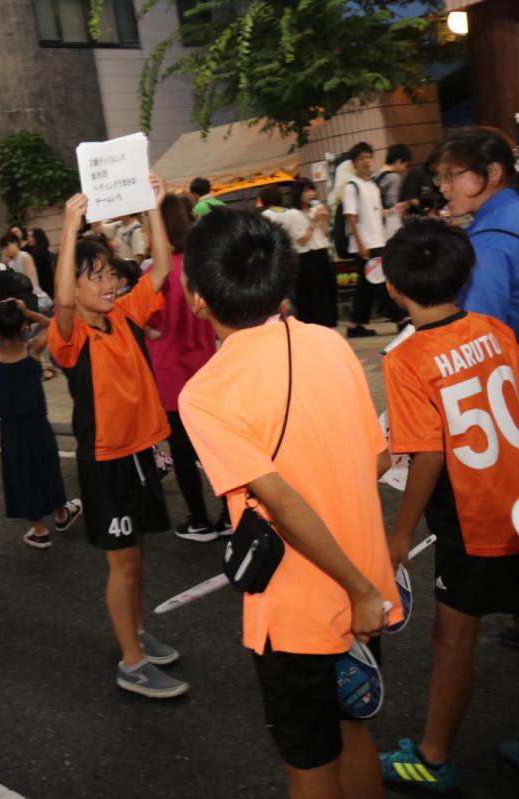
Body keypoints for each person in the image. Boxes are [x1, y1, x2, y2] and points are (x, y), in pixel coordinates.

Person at [178, 208, 401, 798]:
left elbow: (282, 503)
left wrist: (354, 587)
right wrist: (362, 588)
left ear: (198, 298)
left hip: (299, 608)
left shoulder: (204, 394)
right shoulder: (328, 343)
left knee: (309, 761)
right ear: (285, 277)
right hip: (364, 590)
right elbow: (376, 459)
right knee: (353, 728)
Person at [376, 219, 519, 792]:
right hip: (514, 499)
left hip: (472, 519)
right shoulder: (495, 328)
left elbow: (427, 455)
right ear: (466, 275)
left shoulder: (408, 358)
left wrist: (401, 533)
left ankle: (433, 759)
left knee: (453, 639)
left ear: (392, 286)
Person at [49, 184, 186, 699]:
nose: (109, 283)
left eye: (110, 273)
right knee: (122, 561)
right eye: (96, 276)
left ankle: (136, 630)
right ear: (75, 285)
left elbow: (162, 271)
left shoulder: (125, 317)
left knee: (137, 555)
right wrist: (68, 229)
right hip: (105, 461)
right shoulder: (70, 336)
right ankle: (131, 660)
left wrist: (151, 204)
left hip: (139, 452)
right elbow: (62, 299)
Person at [0, 299, 81, 549]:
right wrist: (28, 311)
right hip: (38, 425)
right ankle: (62, 514)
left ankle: (40, 530)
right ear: (23, 326)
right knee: (47, 469)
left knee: (21, 475)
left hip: (11, 429)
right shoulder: (33, 350)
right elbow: (54, 326)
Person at [148, 193, 225, 542]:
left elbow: (148, 321)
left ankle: (198, 518)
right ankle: (230, 515)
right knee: (215, 449)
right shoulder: (203, 266)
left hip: (169, 371)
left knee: (181, 450)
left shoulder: (157, 274)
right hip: (207, 367)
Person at [434, 126, 519, 338]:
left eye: (451, 175)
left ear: (492, 173)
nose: (443, 188)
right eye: (441, 177)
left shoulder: (487, 243)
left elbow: (480, 337)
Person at [343, 141, 405, 338]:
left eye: (369, 157)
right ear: (354, 163)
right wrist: (360, 243)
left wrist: (392, 212)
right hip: (366, 245)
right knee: (379, 281)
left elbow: (376, 213)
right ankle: (401, 319)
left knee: (367, 287)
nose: (366, 161)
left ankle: (355, 325)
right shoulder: (352, 187)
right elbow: (350, 216)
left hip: (378, 241)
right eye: (361, 158)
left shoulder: (372, 186)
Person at [288, 178, 338, 327]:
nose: (311, 194)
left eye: (312, 190)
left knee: (327, 293)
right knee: (313, 296)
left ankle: (328, 324)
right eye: (306, 191)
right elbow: (302, 240)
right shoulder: (292, 214)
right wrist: (314, 221)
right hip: (307, 258)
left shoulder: (315, 210)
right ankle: (314, 326)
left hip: (322, 254)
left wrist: (324, 221)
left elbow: (326, 236)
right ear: (298, 194)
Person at [1, 232, 51, 312]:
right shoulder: (10, 263)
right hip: (23, 299)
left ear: (15, 243)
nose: (6, 249)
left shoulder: (25, 257)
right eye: (3, 247)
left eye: (7, 245)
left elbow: (32, 282)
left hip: (35, 297)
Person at [376, 143, 412, 240]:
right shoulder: (394, 177)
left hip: (375, 222)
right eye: (406, 165)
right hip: (386, 223)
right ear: (399, 161)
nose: (405, 168)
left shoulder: (375, 174)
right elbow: (391, 204)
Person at [26, 227, 55, 298]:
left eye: (31, 236)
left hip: (44, 282)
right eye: (28, 236)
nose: (29, 238)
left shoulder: (38, 251)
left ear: (37, 237)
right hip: (48, 281)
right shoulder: (40, 249)